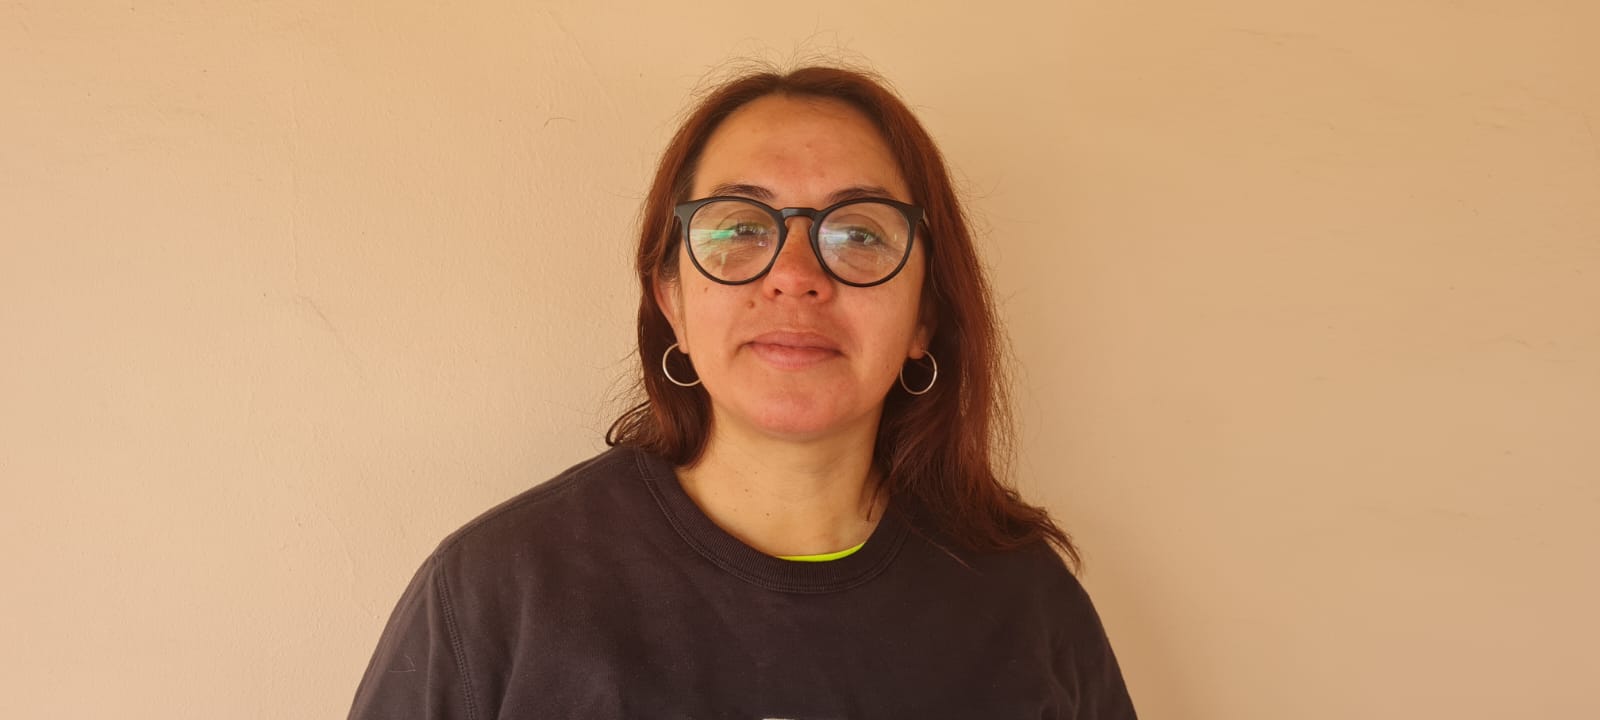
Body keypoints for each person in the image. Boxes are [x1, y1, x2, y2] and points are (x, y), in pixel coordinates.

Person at [348, 64, 1137, 719]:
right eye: (739, 228)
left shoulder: (1027, 605)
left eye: (859, 233)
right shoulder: (496, 593)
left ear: (925, 316)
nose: (795, 276)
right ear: (672, 301)